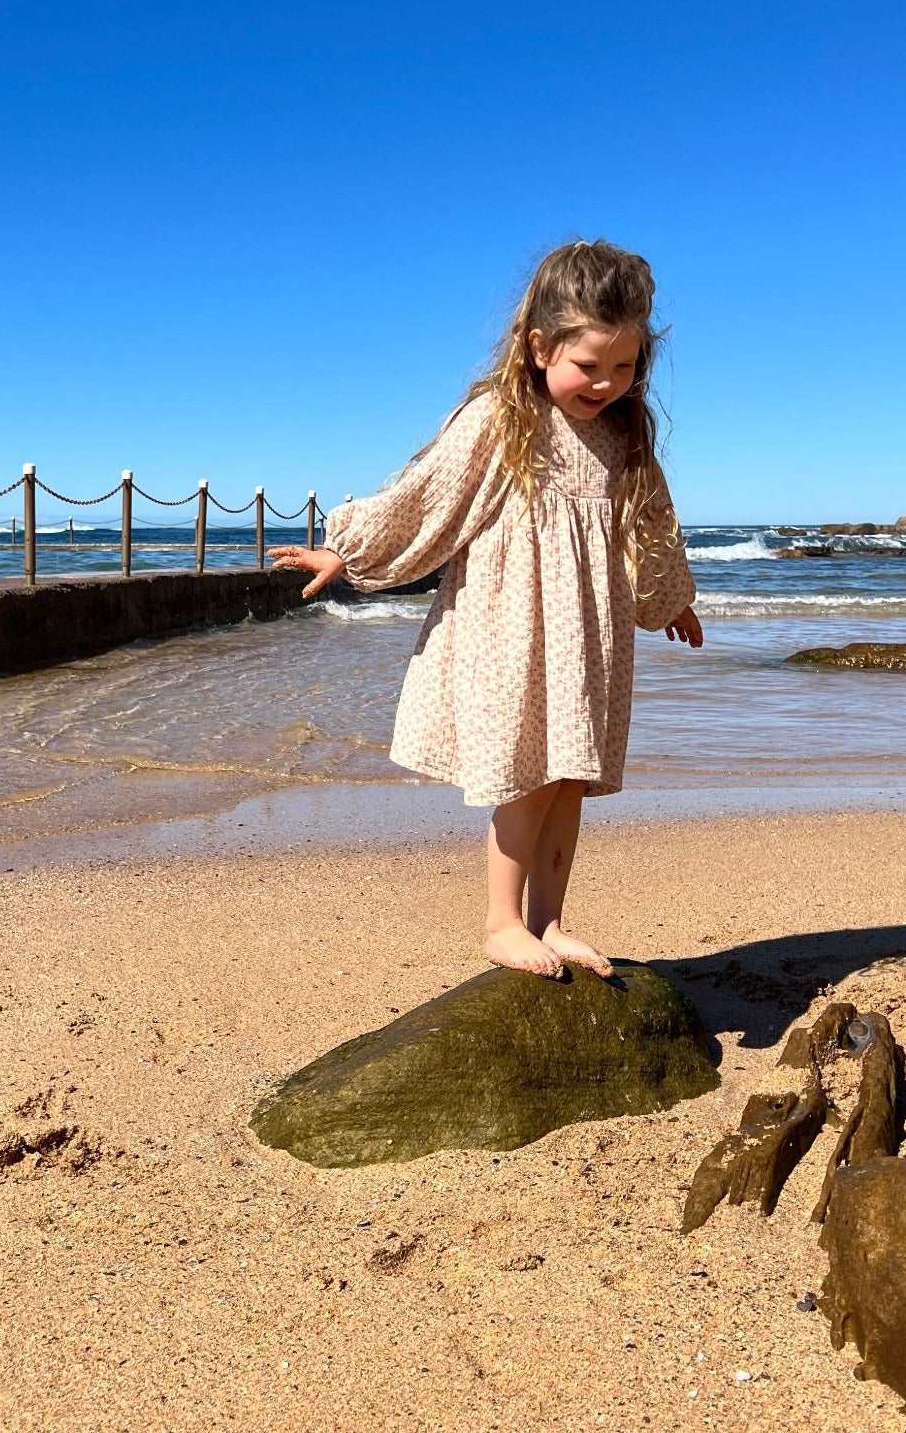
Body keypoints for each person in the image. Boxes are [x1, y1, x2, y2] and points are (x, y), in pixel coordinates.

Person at [271, 238, 702, 980]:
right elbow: (425, 496)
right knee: (526, 772)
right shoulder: (504, 422)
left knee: (572, 774)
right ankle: (502, 923)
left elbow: (651, 521)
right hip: (514, 630)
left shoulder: (625, 438)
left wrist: (671, 598)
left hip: (588, 635)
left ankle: (550, 920)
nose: (606, 383)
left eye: (625, 367)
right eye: (588, 366)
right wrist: (351, 550)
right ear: (539, 347)